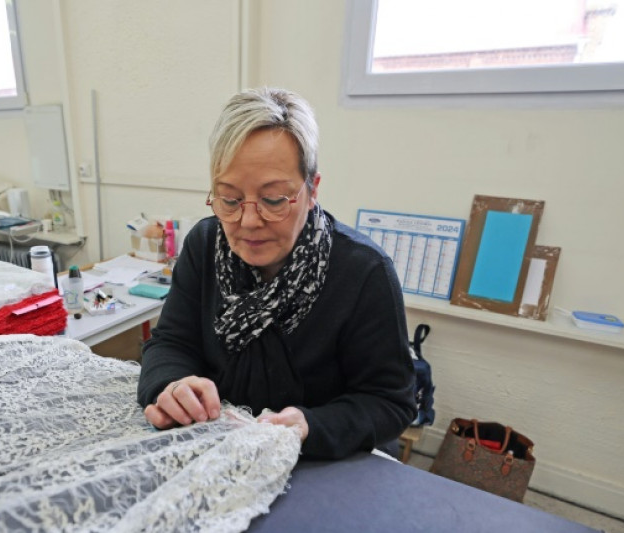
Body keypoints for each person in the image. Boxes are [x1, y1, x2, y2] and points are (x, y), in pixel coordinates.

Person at [137, 87, 416, 459]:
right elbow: (171, 343)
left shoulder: (364, 272)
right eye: (230, 200)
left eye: (273, 200)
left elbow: (390, 402)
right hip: (222, 450)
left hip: (323, 463)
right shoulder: (205, 244)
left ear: (312, 189)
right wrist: (173, 385)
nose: (249, 222)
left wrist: (311, 426)